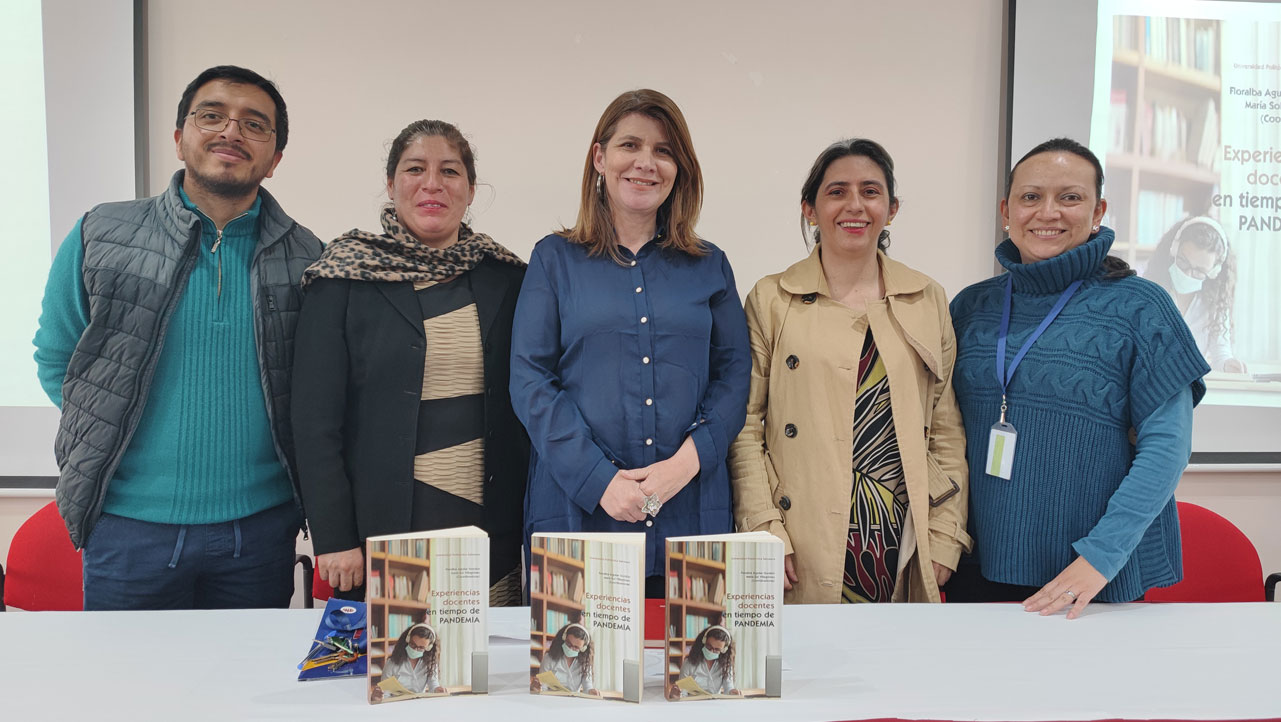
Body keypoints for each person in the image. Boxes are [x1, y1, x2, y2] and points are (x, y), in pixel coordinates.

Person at [32, 65, 322, 610]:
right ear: (179, 138)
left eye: (254, 124)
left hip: (257, 533)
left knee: (238, 691)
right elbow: (57, 360)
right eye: (211, 115)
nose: (231, 132)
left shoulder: (309, 259)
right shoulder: (102, 234)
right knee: (128, 692)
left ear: (275, 158)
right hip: (127, 529)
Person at [947, 138, 1209, 617]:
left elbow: (1166, 447)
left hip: (1090, 576)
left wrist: (1099, 557)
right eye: (1031, 197)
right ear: (1007, 209)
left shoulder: (1142, 308)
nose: (1048, 212)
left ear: (1097, 210)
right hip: (977, 567)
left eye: (1069, 197)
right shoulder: (970, 307)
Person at [510, 89, 751, 593]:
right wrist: (600, 481)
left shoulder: (711, 266)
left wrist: (684, 467)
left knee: (690, 672)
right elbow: (531, 380)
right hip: (579, 516)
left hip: (688, 516)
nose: (646, 163)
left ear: (680, 168)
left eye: (664, 151)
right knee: (574, 672)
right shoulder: (554, 259)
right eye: (630, 146)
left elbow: (733, 377)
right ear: (600, 157)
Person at [292, 120, 528, 606]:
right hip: (381, 532)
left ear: (471, 189)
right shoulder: (342, 276)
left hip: (489, 532)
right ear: (391, 183)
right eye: (414, 169)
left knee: (481, 673)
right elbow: (314, 420)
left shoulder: (509, 278)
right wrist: (334, 537)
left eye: (450, 171)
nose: (432, 184)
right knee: (396, 674)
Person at [728, 139, 970, 604]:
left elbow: (945, 428)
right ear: (810, 209)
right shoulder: (772, 298)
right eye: (837, 191)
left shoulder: (926, 297)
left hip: (898, 529)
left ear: (891, 209)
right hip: (797, 533)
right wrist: (762, 526)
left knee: (892, 668)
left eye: (871, 192)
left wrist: (945, 534)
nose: (855, 205)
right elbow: (744, 426)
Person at [1143, 215, 1244, 373]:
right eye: (1183, 262)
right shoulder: (1149, 290)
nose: (1188, 274)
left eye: (1199, 271)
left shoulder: (1215, 302)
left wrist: (1229, 365)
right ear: (1174, 250)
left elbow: (1221, 354)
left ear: (1213, 271)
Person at [374, 623, 444, 700]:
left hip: (419, 703)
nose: (415, 649)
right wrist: (380, 697)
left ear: (428, 647)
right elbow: (385, 692)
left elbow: (433, 684)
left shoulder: (430, 663)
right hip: (396, 704)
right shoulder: (392, 663)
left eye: (421, 647)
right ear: (407, 640)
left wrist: (437, 690)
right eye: (413, 644)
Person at [669, 625, 739, 698]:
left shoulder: (726, 664)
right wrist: (676, 695)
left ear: (723, 650)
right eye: (709, 646)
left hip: (715, 704)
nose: (711, 651)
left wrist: (732, 692)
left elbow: (728, 687)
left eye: (717, 649)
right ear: (704, 641)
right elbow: (682, 692)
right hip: (692, 705)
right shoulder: (689, 663)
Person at [532, 622, 597, 695]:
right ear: (564, 638)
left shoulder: (585, 663)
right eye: (568, 643)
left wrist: (591, 691)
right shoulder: (549, 658)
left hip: (573, 702)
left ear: (583, 648)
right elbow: (543, 686)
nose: (571, 648)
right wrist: (537, 688)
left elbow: (587, 687)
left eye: (576, 647)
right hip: (551, 701)